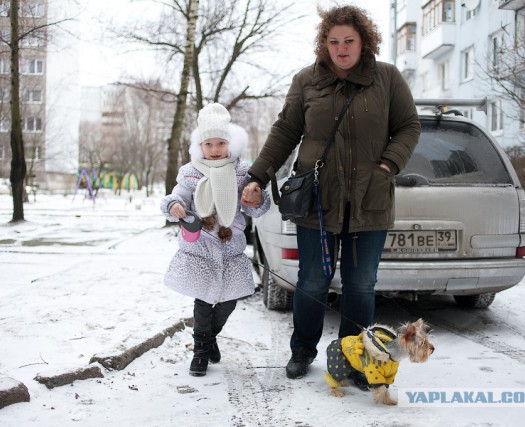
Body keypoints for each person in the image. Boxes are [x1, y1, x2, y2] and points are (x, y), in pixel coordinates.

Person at [241, 5, 420, 380]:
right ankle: (303, 350)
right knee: (312, 281)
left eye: (349, 41)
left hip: (369, 201)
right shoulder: (307, 80)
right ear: (324, 44)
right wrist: (257, 174)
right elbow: (285, 132)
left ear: (364, 41)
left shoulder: (386, 78)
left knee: (360, 284)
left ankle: (354, 358)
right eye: (334, 41)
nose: (341, 48)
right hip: (317, 203)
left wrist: (387, 166)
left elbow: (408, 126)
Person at [160, 103, 271, 377]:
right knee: (203, 301)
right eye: (208, 144)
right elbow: (177, 198)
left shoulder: (241, 172)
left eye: (220, 143)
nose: (215, 149)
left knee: (229, 300)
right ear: (200, 146)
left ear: (229, 144)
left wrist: (256, 199)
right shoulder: (190, 172)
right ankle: (200, 351)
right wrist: (174, 205)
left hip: (231, 248)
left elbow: (256, 207)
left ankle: (209, 337)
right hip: (200, 248)